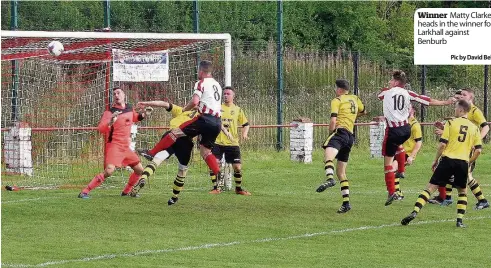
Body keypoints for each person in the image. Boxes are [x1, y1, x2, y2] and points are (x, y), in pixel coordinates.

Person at [137, 60, 223, 204]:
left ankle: (152, 153)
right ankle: (217, 172)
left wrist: (185, 109)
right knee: (205, 151)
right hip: (217, 122)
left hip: (205, 119)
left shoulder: (201, 83)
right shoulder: (217, 85)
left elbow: (195, 102)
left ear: (201, 71)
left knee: (175, 132)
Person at [377, 70, 454, 206]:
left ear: (395, 82)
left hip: (393, 130)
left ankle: (391, 192)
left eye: (390, 81)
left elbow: (380, 96)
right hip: (406, 129)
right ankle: (401, 170)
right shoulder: (408, 93)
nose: (389, 83)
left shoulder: (386, 92)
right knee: (399, 146)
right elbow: (427, 101)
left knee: (387, 165)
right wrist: (446, 102)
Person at [401, 100, 482, 228]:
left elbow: (443, 144)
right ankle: (459, 221)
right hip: (463, 162)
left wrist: (435, 160)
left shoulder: (450, 123)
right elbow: (478, 150)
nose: (454, 110)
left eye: (455, 108)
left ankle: (415, 212)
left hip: (448, 160)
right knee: (462, 192)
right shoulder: (474, 128)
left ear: (461, 110)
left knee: (430, 188)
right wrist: (469, 161)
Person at [78, 87, 152, 199]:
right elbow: (101, 129)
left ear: (124, 95)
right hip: (114, 146)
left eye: (118, 93)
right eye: (114, 94)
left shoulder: (129, 108)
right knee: (109, 171)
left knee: (139, 170)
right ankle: (84, 192)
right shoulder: (110, 112)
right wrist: (110, 120)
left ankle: (126, 192)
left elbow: (135, 117)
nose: (116, 95)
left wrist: (144, 114)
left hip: (125, 147)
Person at [431, 89, 489, 209]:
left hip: (467, 149)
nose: (461, 96)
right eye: (460, 94)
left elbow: (485, 127)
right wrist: (443, 128)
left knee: (466, 176)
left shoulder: (475, 111)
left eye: (464, 95)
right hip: (460, 148)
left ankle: (482, 201)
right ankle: (447, 198)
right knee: (452, 170)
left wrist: (476, 141)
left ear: (471, 98)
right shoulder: (462, 111)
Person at [315, 79, 366, 213]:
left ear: (339, 90)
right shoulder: (355, 98)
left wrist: (331, 131)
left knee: (328, 156)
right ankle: (346, 203)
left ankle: (330, 179)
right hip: (350, 136)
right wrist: (352, 116)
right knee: (341, 172)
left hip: (340, 132)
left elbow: (333, 120)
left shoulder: (337, 100)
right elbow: (363, 111)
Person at [133, 100, 197, 204]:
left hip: (171, 135)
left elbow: (163, 104)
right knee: (182, 170)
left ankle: (144, 177)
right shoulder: (202, 117)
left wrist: (146, 103)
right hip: (186, 141)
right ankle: (174, 197)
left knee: (158, 158)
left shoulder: (181, 110)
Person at [209, 87, 251, 196]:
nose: (226, 96)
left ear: (233, 96)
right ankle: (216, 188)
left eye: (228, 94)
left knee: (237, 167)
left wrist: (245, 134)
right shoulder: (218, 108)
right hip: (218, 142)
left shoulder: (237, 110)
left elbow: (246, 125)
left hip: (232, 143)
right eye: (224, 94)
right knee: (214, 164)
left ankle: (239, 189)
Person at [392, 105, 423, 182]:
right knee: (392, 171)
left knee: (392, 169)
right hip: (398, 150)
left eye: (408, 108)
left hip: (407, 153)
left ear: (413, 110)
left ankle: (395, 192)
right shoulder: (402, 122)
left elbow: (419, 142)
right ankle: (397, 192)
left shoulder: (415, 125)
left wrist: (411, 156)